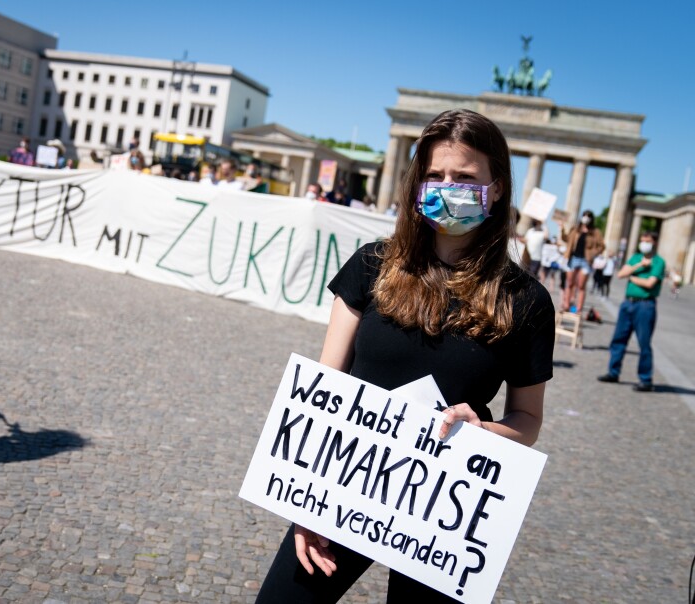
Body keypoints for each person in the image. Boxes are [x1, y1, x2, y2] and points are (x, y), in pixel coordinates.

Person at [255, 109, 555, 603]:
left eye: (464, 177)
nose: (447, 186)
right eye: (435, 175)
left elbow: (527, 419)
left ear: (497, 187)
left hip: (442, 506)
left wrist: (485, 431)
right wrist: (303, 498)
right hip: (343, 483)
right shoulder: (370, 266)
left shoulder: (525, 301)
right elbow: (326, 385)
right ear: (417, 184)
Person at [598, 232, 665, 392]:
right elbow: (621, 274)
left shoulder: (658, 261)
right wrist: (639, 266)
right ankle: (613, 372)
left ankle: (645, 379)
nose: (643, 243)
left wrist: (632, 277)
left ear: (654, 242)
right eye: (642, 240)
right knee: (618, 339)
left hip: (645, 305)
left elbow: (650, 284)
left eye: (647, 241)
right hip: (628, 303)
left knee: (644, 343)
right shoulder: (636, 258)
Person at [561, 210, 604, 313]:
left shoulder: (595, 232)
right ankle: (566, 305)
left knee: (581, 285)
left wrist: (592, 253)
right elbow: (566, 239)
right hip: (574, 258)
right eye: (584, 216)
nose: (586, 218)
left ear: (591, 219)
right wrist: (562, 229)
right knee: (570, 283)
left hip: (586, 260)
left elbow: (601, 246)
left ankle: (578, 308)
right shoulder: (575, 229)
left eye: (588, 216)